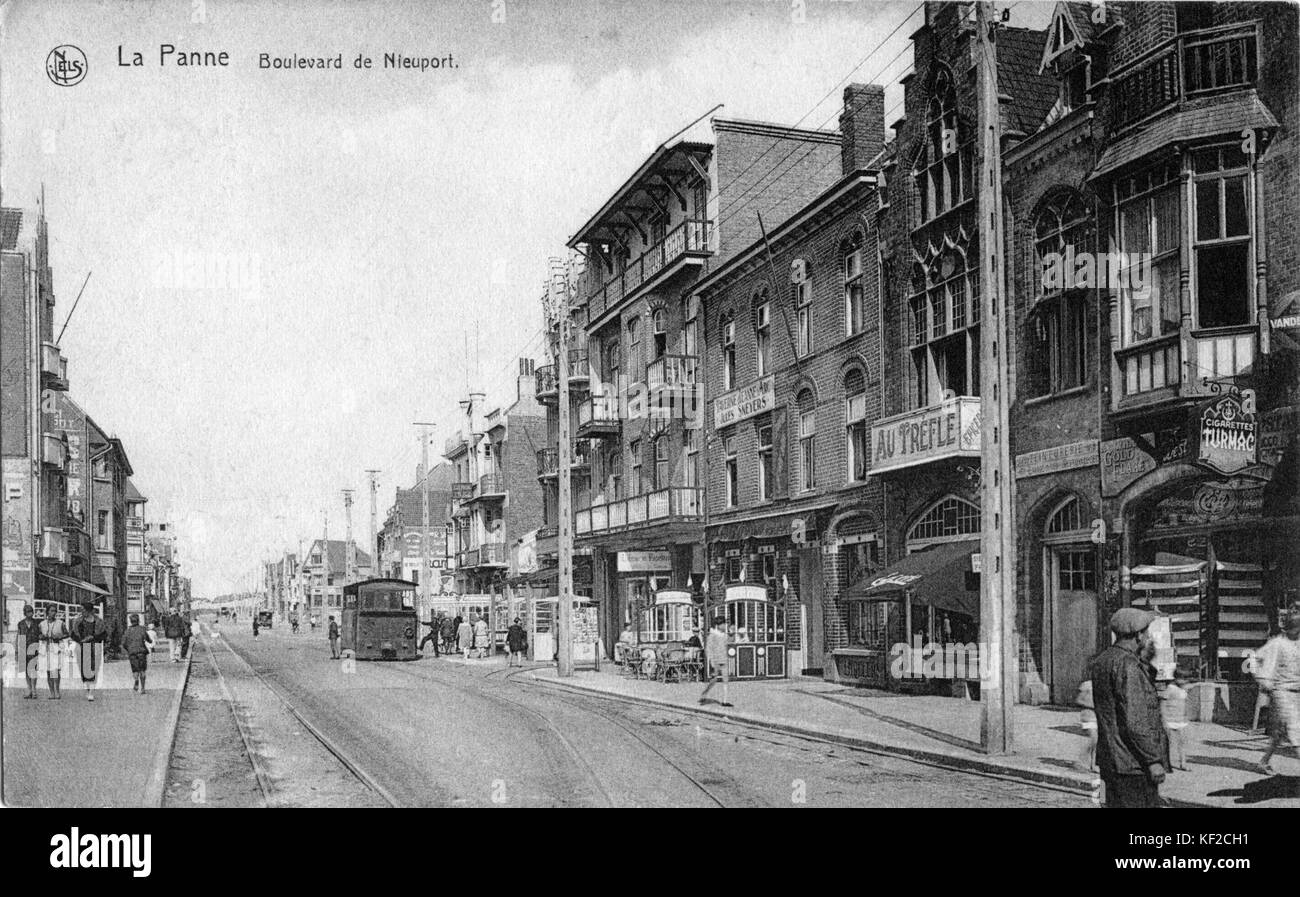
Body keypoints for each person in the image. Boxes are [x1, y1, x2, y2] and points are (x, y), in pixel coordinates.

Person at [1088, 607, 1169, 808]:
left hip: (1110, 759)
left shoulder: (1102, 660)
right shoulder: (1128, 665)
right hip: (1133, 764)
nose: (1149, 637)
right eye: (1147, 632)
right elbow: (1135, 720)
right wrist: (1153, 760)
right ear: (1138, 635)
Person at [1254, 606, 1300, 775]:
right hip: (1282, 691)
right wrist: (1263, 679)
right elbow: (1255, 659)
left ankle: (1264, 761)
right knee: (1295, 729)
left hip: (1298, 691)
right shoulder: (1277, 643)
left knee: (1280, 732)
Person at [70, 600, 107, 701]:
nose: (81, 612)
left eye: (83, 610)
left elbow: (103, 635)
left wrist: (92, 637)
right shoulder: (78, 621)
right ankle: (87, 688)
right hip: (81, 647)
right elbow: (73, 634)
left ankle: (91, 691)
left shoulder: (99, 621)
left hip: (94, 647)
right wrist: (81, 640)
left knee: (93, 668)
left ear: (89, 611)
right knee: (83, 668)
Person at [1160, 669, 1191, 772]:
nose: (1185, 682)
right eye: (1183, 679)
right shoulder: (1170, 688)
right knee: (1168, 743)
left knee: (1182, 742)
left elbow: (1184, 703)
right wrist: (1163, 719)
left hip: (1181, 720)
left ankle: (1183, 763)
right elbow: (1163, 704)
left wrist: (1186, 716)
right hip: (1169, 720)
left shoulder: (1183, 689)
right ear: (1177, 678)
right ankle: (1165, 763)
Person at [700, 618, 732, 708]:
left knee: (726, 679)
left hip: (724, 659)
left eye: (725, 624)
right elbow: (708, 649)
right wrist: (711, 661)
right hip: (716, 660)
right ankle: (705, 693)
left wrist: (731, 633)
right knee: (714, 680)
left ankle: (724, 701)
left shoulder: (724, 635)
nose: (724, 626)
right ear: (718, 625)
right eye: (723, 624)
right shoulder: (712, 635)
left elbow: (728, 642)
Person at [38, 605, 69, 700]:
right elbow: (38, 635)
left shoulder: (61, 623)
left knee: (55, 670)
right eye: (51, 611)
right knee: (48, 671)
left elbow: (67, 634)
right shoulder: (42, 624)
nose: (54, 613)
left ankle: (57, 691)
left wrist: (59, 637)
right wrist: (41, 637)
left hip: (56, 648)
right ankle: (51, 692)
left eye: (55, 611)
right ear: (47, 612)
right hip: (46, 648)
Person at [122, 613, 155, 694]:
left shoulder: (127, 631)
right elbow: (148, 640)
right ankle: (143, 688)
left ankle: (136, 680)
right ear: (138, 621)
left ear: (130, 621)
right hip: (141, 652)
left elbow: (123, 643)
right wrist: (150, 641)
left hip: (132, 652)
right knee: (142, 670)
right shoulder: (142, 629)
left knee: (135, 670)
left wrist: (129, 649)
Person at [15, 605, 41, 699]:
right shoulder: (20, 623)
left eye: (31, 611)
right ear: (25, 613)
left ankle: (34, 690)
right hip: (23, 647)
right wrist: (16, 650)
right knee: (26, 670)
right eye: (28, 612)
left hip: (33, 648)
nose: (30, 613)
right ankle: (29, 689)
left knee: (33, 669)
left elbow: (40, 635)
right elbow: (18, 636)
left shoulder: (37, 623)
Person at [1076, 679, 1097, 772]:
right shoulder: (1086, 685)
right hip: (1087, 716)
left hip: (1097, 716)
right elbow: (1078, 700)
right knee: (1094, 739)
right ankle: (1083, 758)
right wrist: (1092, 705)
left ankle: (1092, 764)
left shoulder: (1100, 683)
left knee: (1096, 741)